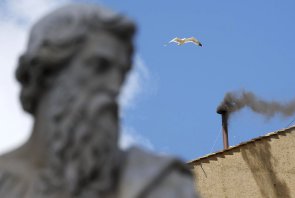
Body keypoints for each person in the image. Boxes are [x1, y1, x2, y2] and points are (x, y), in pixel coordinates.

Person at [0, 4, 198, 198]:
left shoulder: (160, 185)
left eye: (121, 74)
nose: (115, 86)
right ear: (44, 74)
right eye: (99, 66)